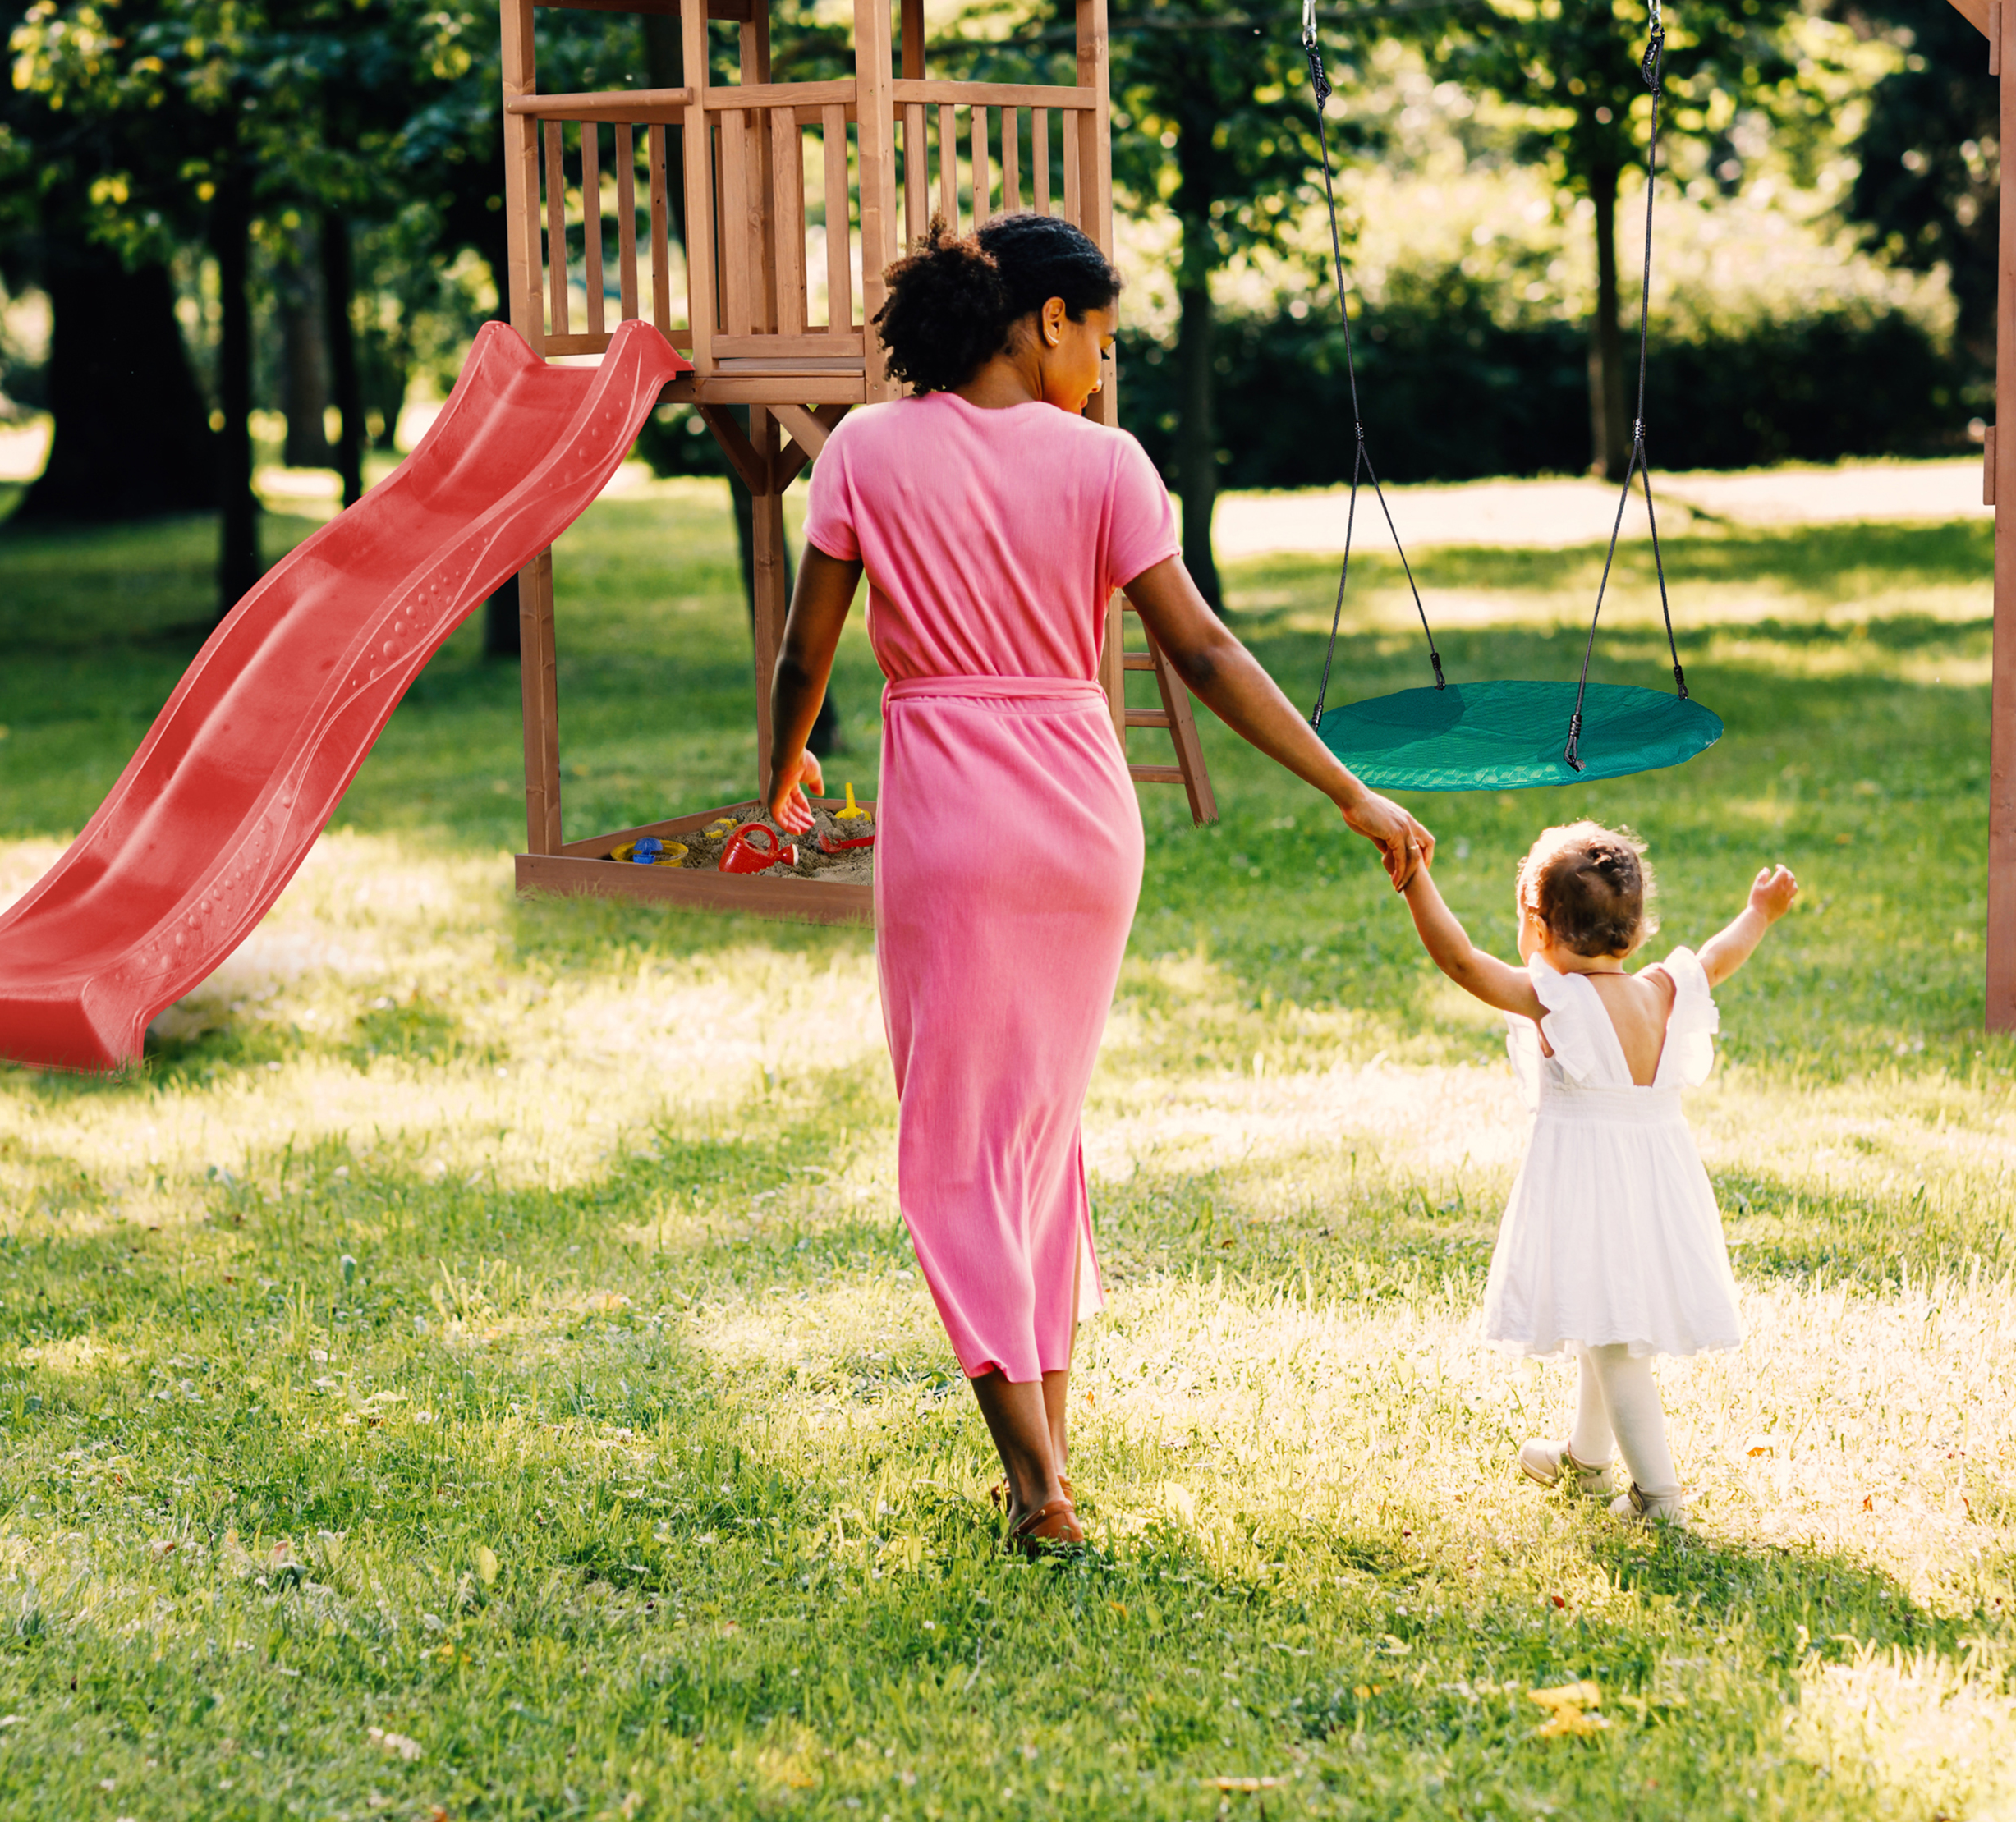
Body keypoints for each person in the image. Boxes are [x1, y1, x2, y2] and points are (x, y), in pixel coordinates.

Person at [764, 213, 1434, 1555]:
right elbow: (1202, 652)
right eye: (1104, 341)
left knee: (958, 1151)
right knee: (1034, 1140)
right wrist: (1346, 786)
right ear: (1046, 320)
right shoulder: (1109, 467)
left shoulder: (864, 451)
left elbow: (805, 654)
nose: (1106, 373)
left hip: (952, 820)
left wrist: (777, 777)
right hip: (1082, 821)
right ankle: (1049, 1460)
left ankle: (1035, 1487)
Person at [1396, 822, 1799, 1526]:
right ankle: (1586, 1460)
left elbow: (1460, 961)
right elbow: (1718, 955)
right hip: (1655, 1186)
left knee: (1614, 1344)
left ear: (1538, 928)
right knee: (1599, 1317)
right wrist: (1759, 913)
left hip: (1591, 1189)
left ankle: (1658, 1498)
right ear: (1637, 931)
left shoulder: (1556, 1001)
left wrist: (1414, 879)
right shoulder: (1664, 990)